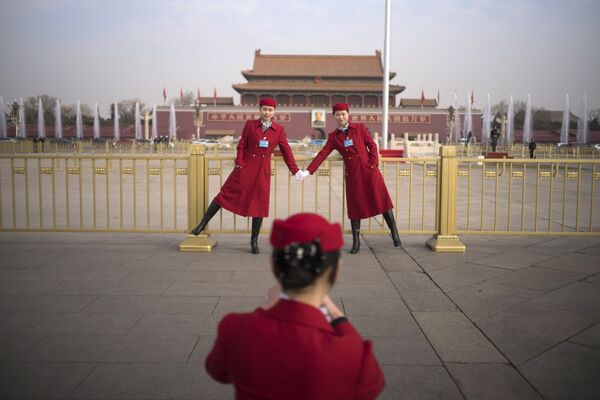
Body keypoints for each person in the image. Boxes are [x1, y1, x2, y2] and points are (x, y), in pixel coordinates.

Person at [205, 213, 385, 400]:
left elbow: (217, 370)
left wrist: (266, 309)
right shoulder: (352, 354)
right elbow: (373, 386)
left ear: (273, 265)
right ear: (337, 268)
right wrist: (337, 316)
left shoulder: (235, 329)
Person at [191, 98, 304, 254]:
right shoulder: (250, 125)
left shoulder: (279, 130)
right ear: (260, 110)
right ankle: (201, 225)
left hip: (262, 172)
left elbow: (286, 152)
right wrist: (240, 162)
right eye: (264, 109)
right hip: (245, 168)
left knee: (259, 205)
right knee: (224, 195)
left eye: (270, 110)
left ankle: (254, 241)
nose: (267, 112)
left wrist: (295, 170)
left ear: (274, 112)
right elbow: (242, 145)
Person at [298, 102, 400, 254]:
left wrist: (373, 165)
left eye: (343, 114)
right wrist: (308, 171)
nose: (341, 117)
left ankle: (395, 234)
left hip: (369, 171)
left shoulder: (359, 128)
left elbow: (372, 145)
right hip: (353, 175)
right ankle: (356, 242)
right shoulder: (334, 136)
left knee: (382, 201)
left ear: (348, 114)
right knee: (355, 207)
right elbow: (323, 154)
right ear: (334, 117)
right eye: (338, 115)